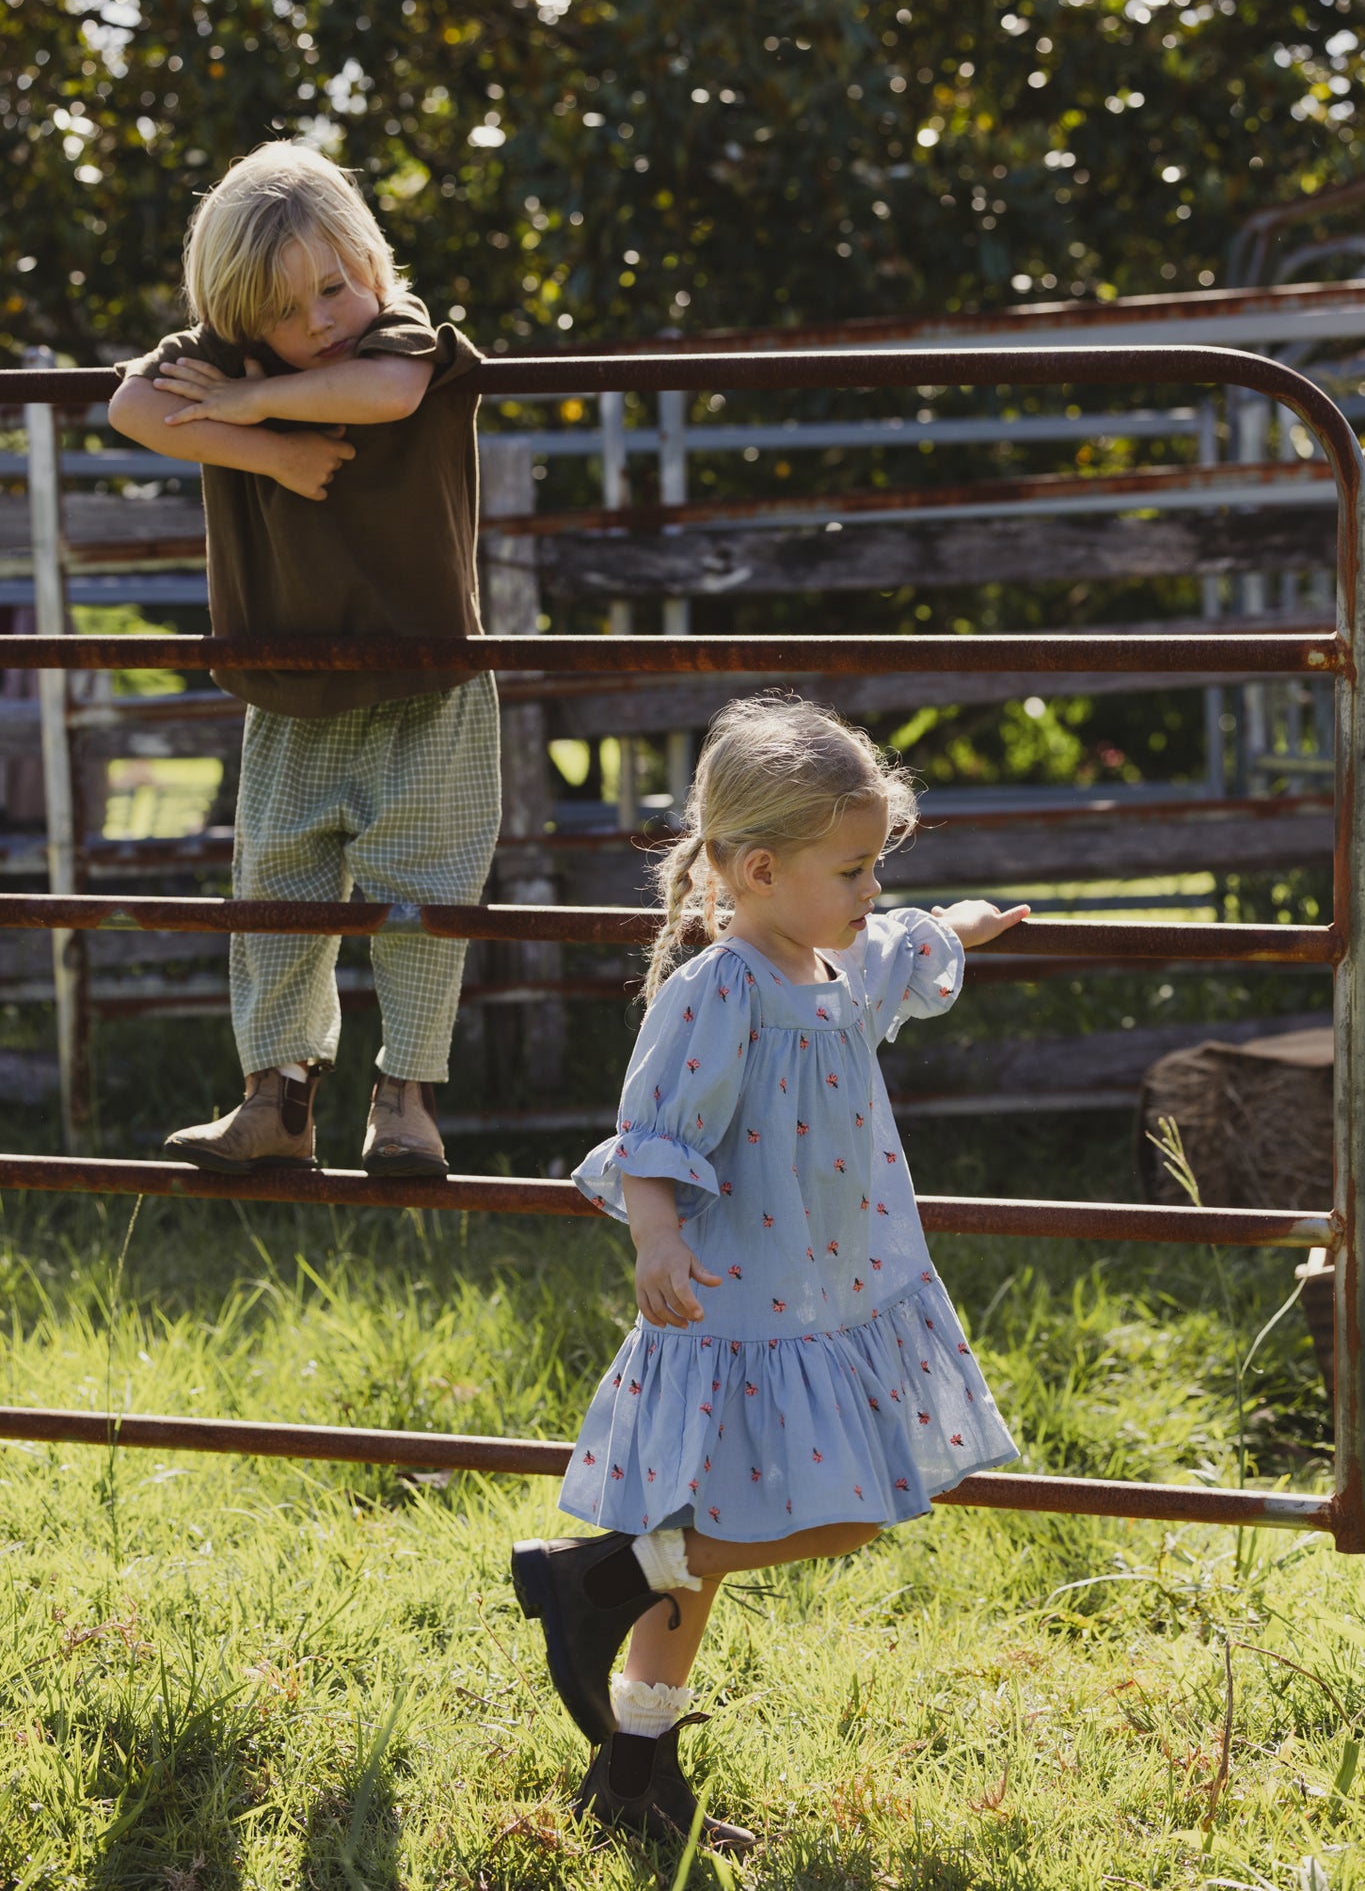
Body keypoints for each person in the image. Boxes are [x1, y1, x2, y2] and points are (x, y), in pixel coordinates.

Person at [512, 695, 1027, 1852]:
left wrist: (964, 924)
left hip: (832, 1294)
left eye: (874, 867)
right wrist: (654, 1238)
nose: (869, 892)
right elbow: (649, 1136)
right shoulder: (720, 991)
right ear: (756, 868)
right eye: (852, 870)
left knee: (695, 1571)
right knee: (844, 1512)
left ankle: (632, 1771)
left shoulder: (835, 962)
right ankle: (600, 1573)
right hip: (740, 1307)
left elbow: (905, 945)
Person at [108, 142, 499, 1178]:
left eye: (334, 286)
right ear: (238, 321)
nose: (321, 319)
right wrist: (266, 448)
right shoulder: (227, 361)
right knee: (276, 888)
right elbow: (129, 407)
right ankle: (275, 1099)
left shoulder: (395, 331)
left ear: (367, 261)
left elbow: (389, 395)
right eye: (286, 314)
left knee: (424, 889)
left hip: (426, 678)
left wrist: (246, 403)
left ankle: (405, 1100)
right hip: (288, 682)